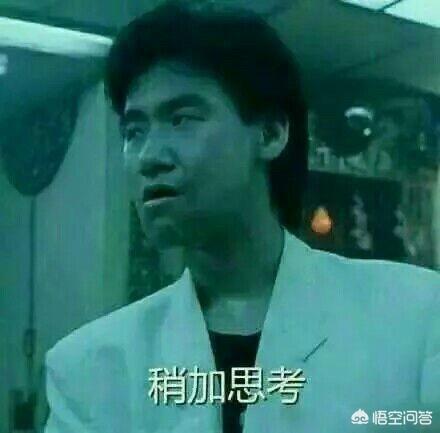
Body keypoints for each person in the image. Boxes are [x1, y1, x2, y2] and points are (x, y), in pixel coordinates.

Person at [43, 2, 440, 432]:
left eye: (182, 119)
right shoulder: (89, 368)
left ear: (270, 134)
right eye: (134, 131)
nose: (149, 157)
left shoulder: (416, 317)